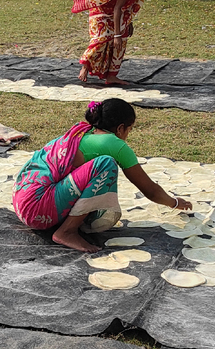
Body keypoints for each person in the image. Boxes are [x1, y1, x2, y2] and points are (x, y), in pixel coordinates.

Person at [13, 99, 193, 253]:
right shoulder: (114, 144)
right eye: (130, 129)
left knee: (92, 179)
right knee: (105, 165)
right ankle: (67, 231)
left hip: (22, 202)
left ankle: (67, 224)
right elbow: (150, 190)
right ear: (121, 128)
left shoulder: (81, 132)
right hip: (38, 210)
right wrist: (174, 202)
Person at [70, 0, 167, 86]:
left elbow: (129, 3)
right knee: (102, 39)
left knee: (123, 37)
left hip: (118, 10)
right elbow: (118, 7)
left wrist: (128, 22)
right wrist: (116, 34)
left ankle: (112, 76)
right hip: (103, 8)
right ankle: (85, 66)